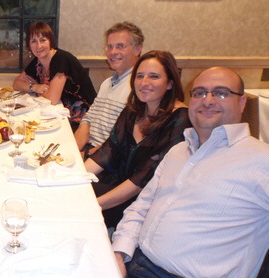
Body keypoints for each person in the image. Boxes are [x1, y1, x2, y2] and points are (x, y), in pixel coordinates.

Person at [112, 67, 269, 278]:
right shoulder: (179, 150)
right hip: (133, 261)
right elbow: (141, 206)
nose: (208, 101)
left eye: (221, 93)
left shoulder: (261, 159)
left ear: (242, 103)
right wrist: (119, 253)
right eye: (199, 93)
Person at [84, 50, 191, 229]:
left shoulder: (180, 119)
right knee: (65, 194)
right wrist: (75, 178)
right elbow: (108, 151)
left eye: (154, 76)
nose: (144, 83)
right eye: (139, 76)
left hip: (144, 205)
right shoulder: (133, 111)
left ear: (170, 83)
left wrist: (94, 206)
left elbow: (144, 178)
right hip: (118, 187)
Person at [75, 22, 144, 160]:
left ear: (137, 50)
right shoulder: (107, 84)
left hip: (109, 161)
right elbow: (88, 120)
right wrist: (73, 152)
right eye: (110, 46)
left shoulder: (139, 88)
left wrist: (84, 156)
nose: (112, 52)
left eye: (120, 46)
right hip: (91, 150)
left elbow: (122, 143)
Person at [12, 21, 97, 131]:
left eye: (43, 40)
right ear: (29, 45)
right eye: (34, 41)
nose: (39, 46)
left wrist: (38, 88)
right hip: (62, 112)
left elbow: (52, 99)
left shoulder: (60, 59)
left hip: (83, 118)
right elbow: (16, 83)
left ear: (51, 41)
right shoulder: (38, 62)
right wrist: (35, 87)